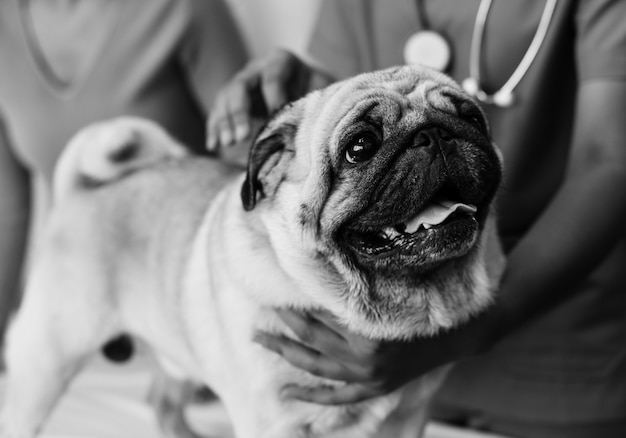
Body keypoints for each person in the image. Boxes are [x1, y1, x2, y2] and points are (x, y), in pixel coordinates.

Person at [207, 1, 626, 437]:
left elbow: (610, 161)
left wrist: (466, 335)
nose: (430, 144)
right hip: (356, 369)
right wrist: (305, 90)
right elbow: (337, 105)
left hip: (558, 366)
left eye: (459, 119)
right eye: (361, 146)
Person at [0, 0, 247, 352]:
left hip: (196, 319)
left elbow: (249, 168)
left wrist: (198, 333)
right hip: (75, 316)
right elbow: (6, 210)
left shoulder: (186, 8)